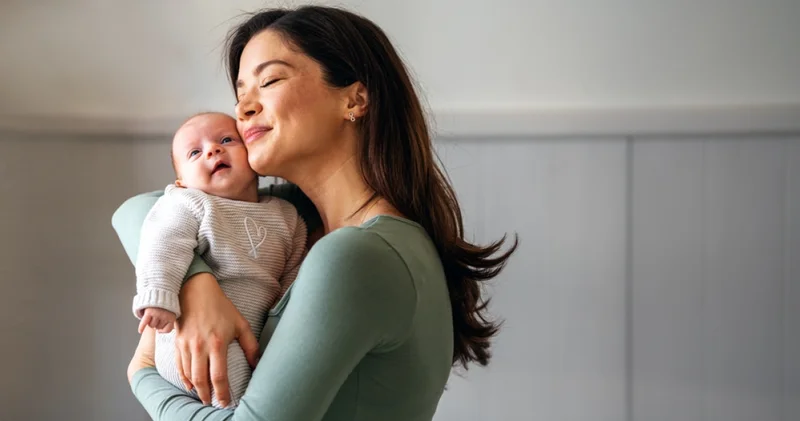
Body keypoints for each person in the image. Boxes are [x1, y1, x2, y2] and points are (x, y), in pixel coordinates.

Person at [113, 5, 517, 421]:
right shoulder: (302, 218)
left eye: (269, 80)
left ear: (355, 99)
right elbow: (138, 211)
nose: (244, 108)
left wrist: (143, 373)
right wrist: (198, 288)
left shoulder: (357, 254)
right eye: (240, 94)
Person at [132, 112, 306, 409]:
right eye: (195, 152)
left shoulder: (287, 216)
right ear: (181, 182)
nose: (213, 150)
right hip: (191, 341)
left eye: (226, 140)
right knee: (232, 385)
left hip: (251, 333)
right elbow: (162, 243)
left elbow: (292, 277)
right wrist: (158, 296)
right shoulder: (189, 203)